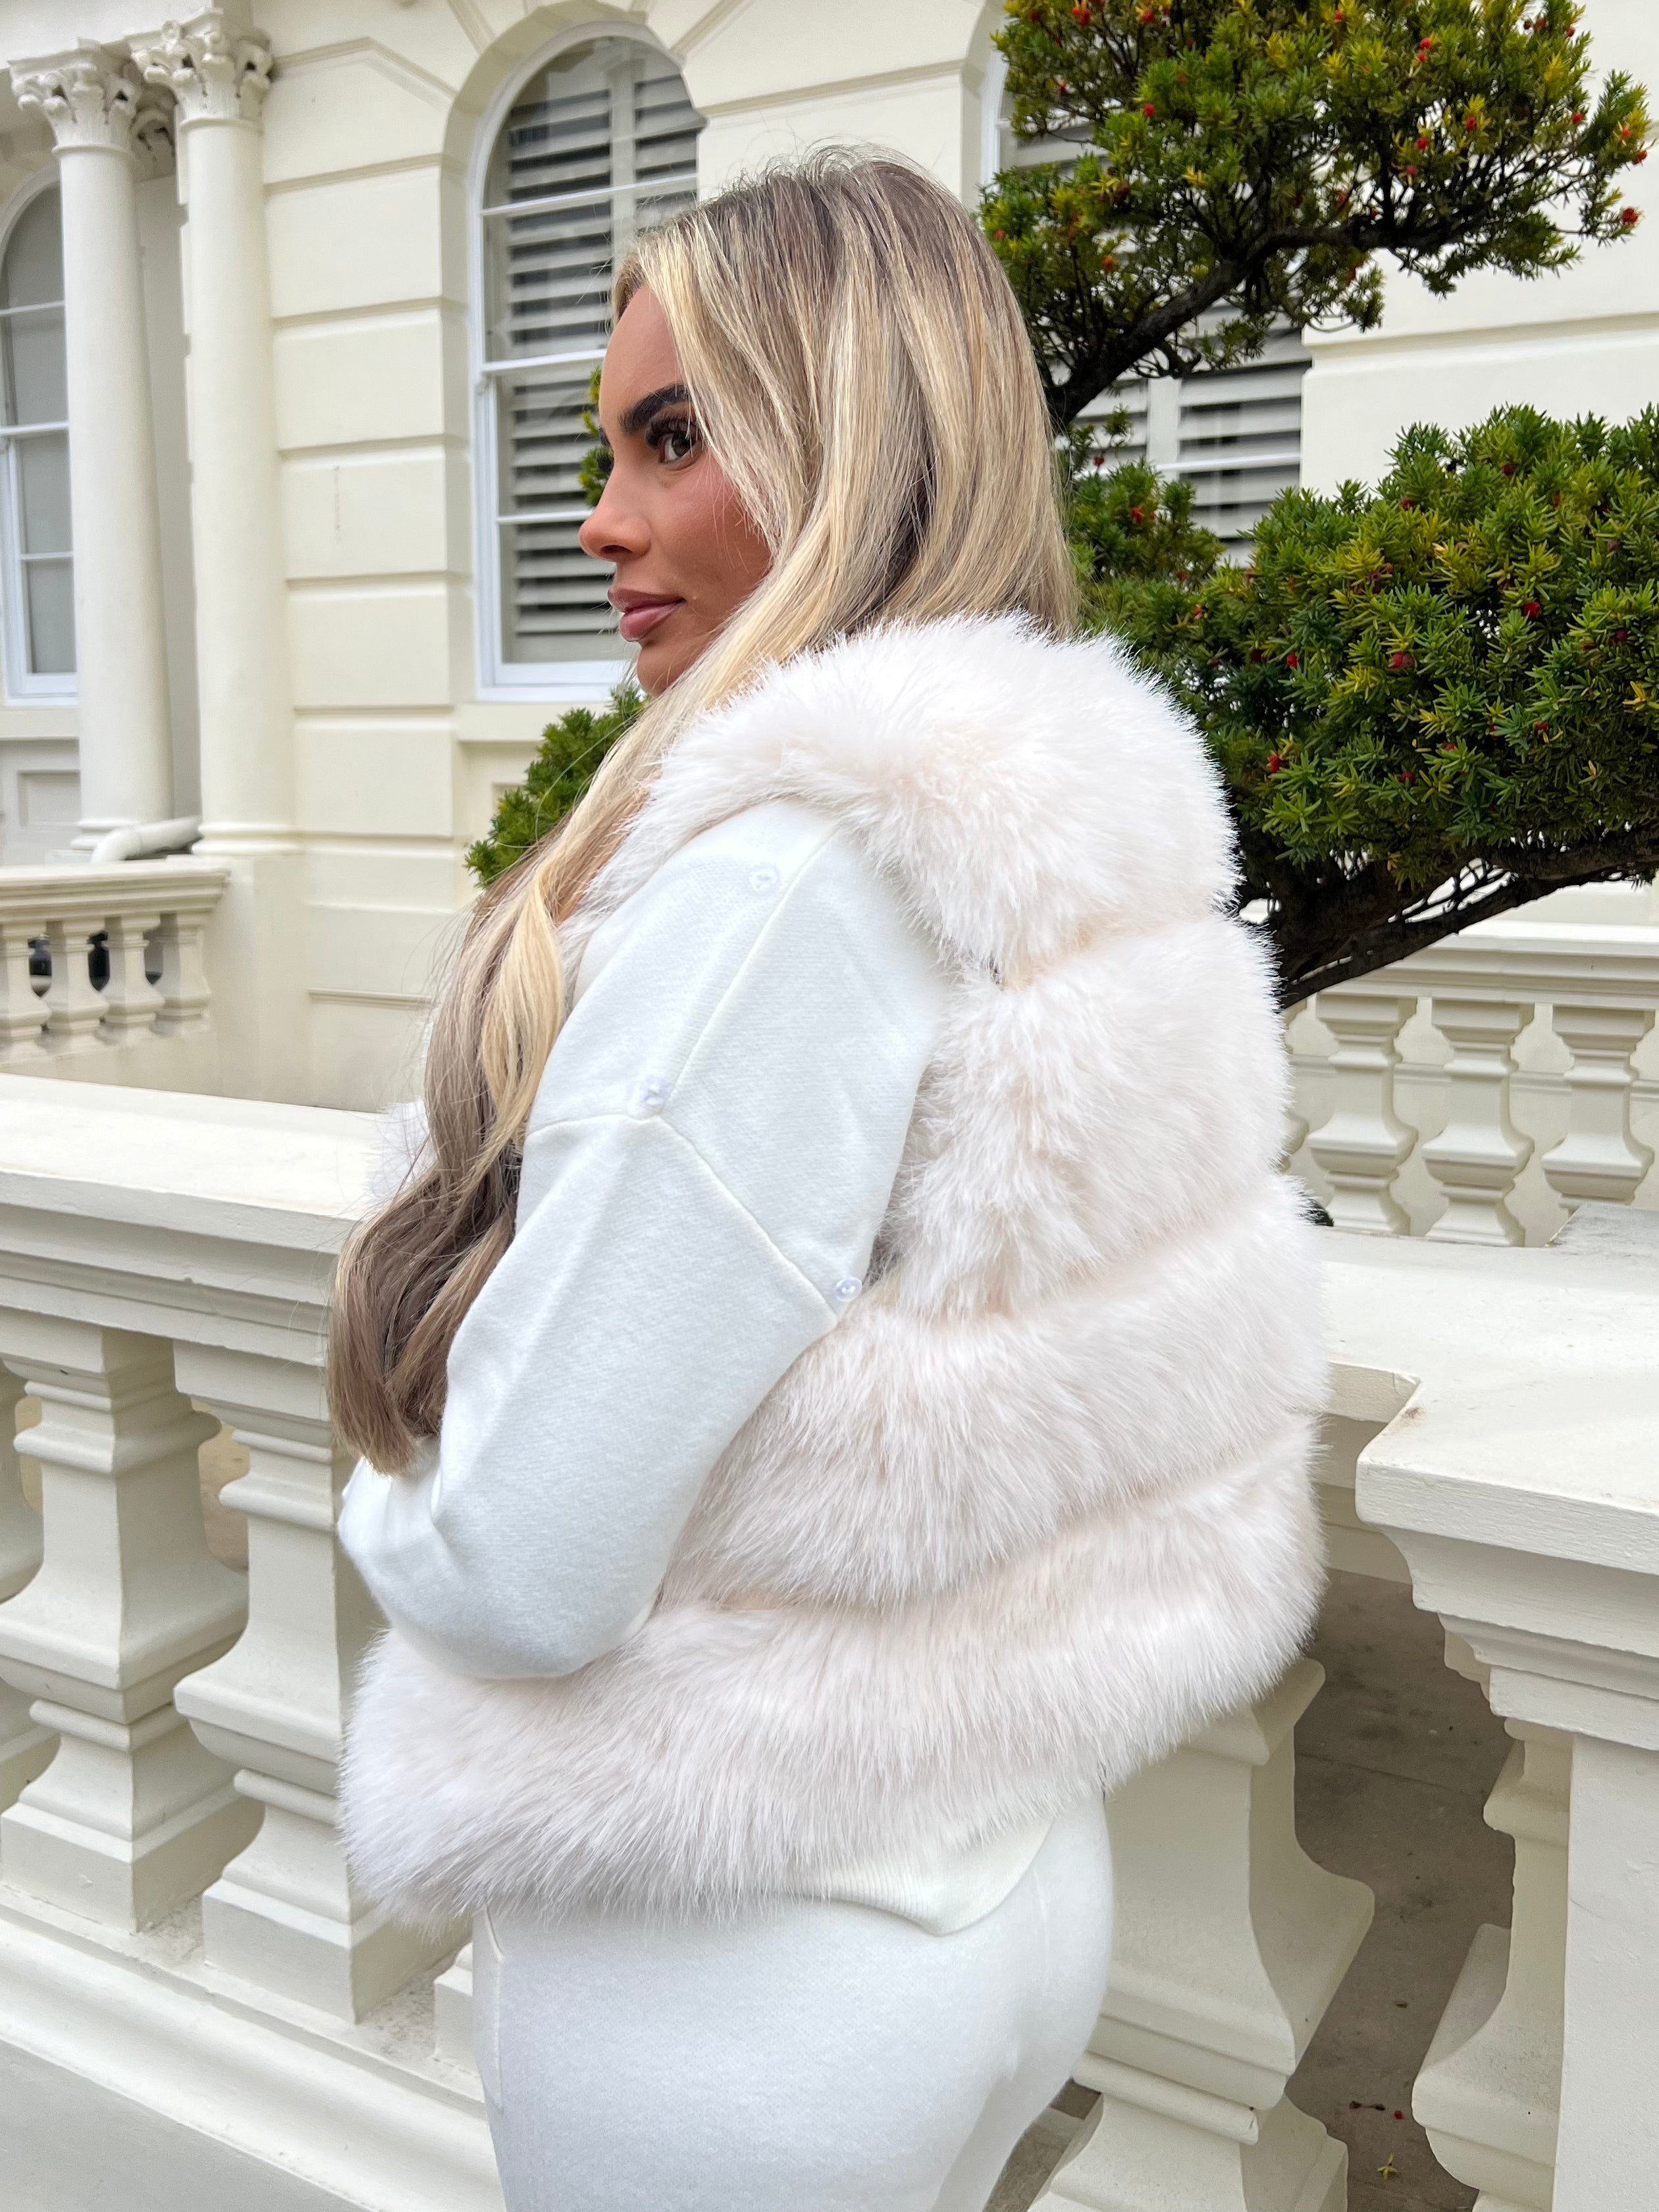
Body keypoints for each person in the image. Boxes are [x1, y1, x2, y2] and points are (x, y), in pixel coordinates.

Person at [332, 151, 1325, 2212]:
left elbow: (521, 1562)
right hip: (993, 1877)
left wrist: (381, 1490)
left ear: (852, 442)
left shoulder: (782, 889)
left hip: (737, 1949)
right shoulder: (1061, 852)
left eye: (674, 437)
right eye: (607, 448)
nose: (601, 520)